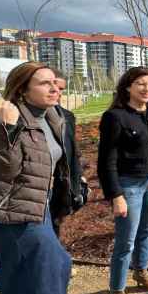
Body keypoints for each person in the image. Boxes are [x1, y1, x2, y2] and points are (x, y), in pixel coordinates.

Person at [0, 61, 73, 294]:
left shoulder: (52, 118)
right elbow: (3, 170)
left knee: (42, 271)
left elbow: (57, 159)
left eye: (55, 83)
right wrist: (7, 127)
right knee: (43, 274)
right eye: (44, 83)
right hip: (10, 211)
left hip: (40, 206)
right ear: (22, 90)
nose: (55, 88)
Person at [97, 66, 148, 294]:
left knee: (146, 232)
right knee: (126, 241)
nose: (147, 89)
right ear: (128, 86)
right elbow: (106, 161)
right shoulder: (115, 117)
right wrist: (116, 195)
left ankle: (141, 273)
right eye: (141, 83)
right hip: (129, 185)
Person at [51, 76, 88, 238]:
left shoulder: (67, 116)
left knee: (54, 232)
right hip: (34, 192)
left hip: (61, 186)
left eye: (61, 89)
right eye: (52, 86)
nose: (56, 92)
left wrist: (79, 177)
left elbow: (72, 150)